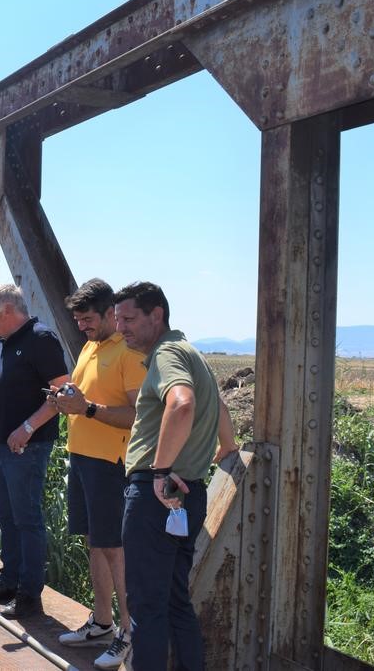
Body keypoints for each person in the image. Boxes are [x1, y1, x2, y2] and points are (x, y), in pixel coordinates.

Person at [113, 282, 238, 671]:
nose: (122, 329)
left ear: (157, 315)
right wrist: (228, 444)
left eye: (130, 319)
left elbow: (182, 404)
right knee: (173, 601)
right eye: (118, 320)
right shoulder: (191, 353)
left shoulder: (167, 353)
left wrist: (160, 470)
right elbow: (214, 403)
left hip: (159, 493)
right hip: (189, 492)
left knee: (146, 606)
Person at [0, 283, 69, 618]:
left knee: (27, 519)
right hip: (2, 444)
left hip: (27, 446)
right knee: (6, 516)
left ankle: (29, 595)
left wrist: (28, 427)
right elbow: (1, 388)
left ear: (6, 309)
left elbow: (62, 394)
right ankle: (9, 582)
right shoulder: (5, 344)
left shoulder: (40, 339)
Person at [50, 279, 145, 667]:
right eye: (78, 321)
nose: (82, 327)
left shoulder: (128, 351)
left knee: (114, 549)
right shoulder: (91, 345)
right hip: (84, 459)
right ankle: (102, 623)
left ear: (109, 313)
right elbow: (87, 399)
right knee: (95, 543)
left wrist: (86, 408)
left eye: (88, 319)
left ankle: (128, 632)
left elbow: (137, 415)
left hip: (111, 464)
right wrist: (65, 402)